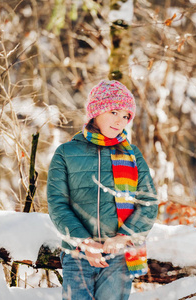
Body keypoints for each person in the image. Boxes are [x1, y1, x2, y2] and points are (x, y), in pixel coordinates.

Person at [47, 80, 158, 300]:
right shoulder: (65, 153)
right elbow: (57, 204)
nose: (120, 121)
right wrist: (85, 242)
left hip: (118, 255)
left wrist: (123, 237)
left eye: (126, 116)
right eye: (114, 111)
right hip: (78, 253)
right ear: (95, 112)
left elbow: (149, 202)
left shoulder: (132, 155)